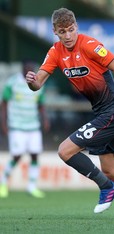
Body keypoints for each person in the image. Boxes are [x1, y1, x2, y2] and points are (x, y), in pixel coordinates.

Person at [24, 8, 114, 219]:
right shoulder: (55, 52)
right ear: (55, 31)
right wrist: (32, 81)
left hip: (113, 112)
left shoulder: (90, 45)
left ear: (76, 27)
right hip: (101, 112)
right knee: (112, 171)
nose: (68, 35)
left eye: (71, 30)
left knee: (65, 151)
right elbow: (38, 84)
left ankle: (106, 188)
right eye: (63, 31)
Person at [0, 60, 50, 198]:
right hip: (17, 125)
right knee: (17, 156)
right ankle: (3, 183)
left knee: (34, 154)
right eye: (27, 68)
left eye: (32, 68)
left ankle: (32, 187)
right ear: (22, 69)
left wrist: (45, 119)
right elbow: (4, 104)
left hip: (33, 126)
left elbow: (41, 104)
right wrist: (3, 123)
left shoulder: (37, 84)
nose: (30, 70)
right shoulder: (13, 83)